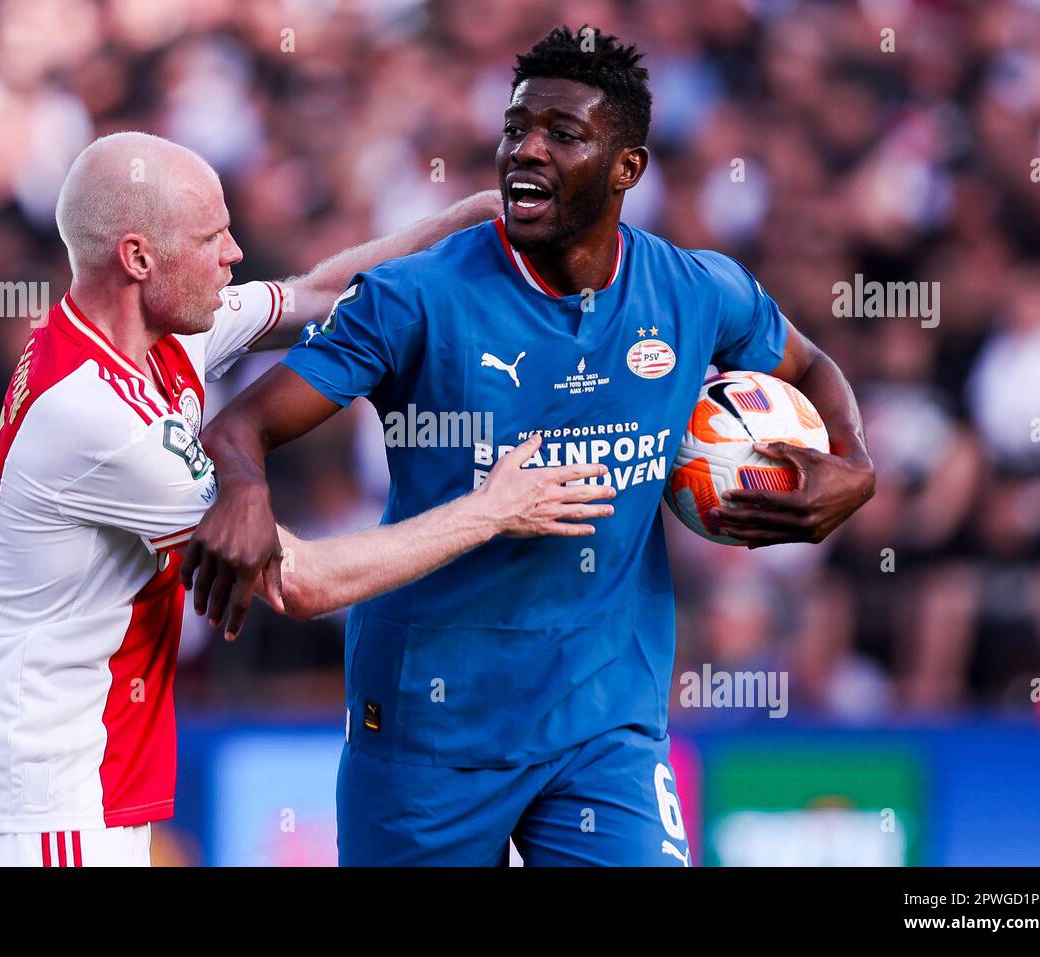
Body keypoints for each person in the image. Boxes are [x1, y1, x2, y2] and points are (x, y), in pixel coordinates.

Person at [181, 27, 876, 866]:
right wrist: (245, 489)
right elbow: (241, 424)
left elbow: (810, 362)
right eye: (516, 129)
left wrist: (854, 462)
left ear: (628, 168)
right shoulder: (417, 296)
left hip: (604, 724)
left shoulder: (697, 291)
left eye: (563, 134)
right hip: (428, 731)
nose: (527, 151)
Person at [0, 131, 615, 867]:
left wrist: (470, 220)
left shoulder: (153, 333)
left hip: (75, 773)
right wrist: (492, 510)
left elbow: (321, 295)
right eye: (211, 237)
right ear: (138, 258)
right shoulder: (101, 417)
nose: (233, 253)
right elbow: (303, 581)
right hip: (43, 786)